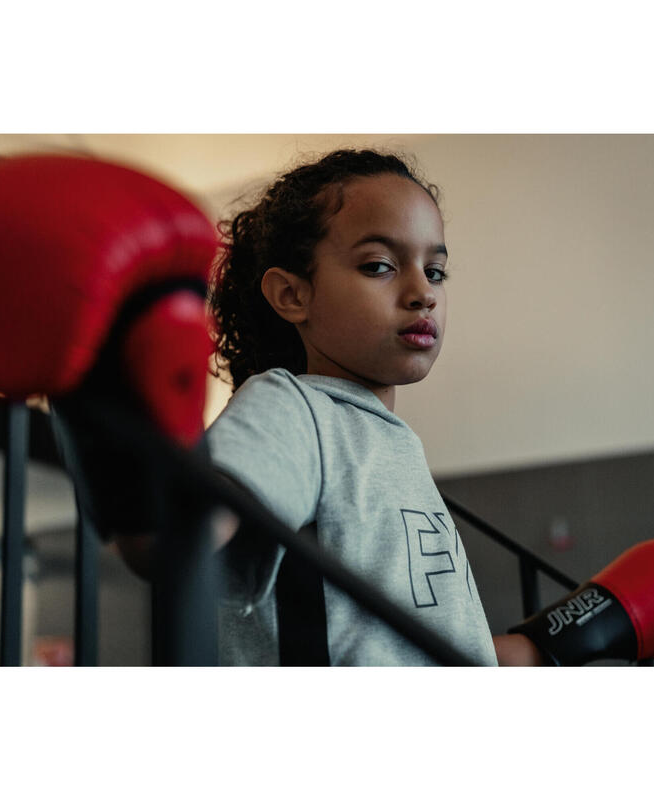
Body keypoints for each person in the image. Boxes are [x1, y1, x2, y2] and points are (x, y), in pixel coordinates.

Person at [205, 148, 542, 666]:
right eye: (379, 266)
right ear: (293, 295)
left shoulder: (389, 442)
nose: (422, 293)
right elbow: (185, 529)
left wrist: (576, 629)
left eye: (435, 271)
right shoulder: (294, 407)